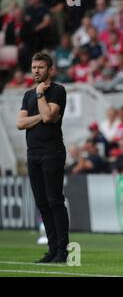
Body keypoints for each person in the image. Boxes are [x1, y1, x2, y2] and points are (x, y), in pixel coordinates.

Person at [16, 52, 69, 263]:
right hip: (33, 153)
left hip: (52, 152)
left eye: (40, 67)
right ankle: (52, 248)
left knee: (55, 200)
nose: (36, 70)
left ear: (50, 70)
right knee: (42, 203)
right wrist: (39, 112)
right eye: (34, 67)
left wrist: (40, 95)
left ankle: (62, 251)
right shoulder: (28, 94)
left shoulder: (58, 90)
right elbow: (20, 124)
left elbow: (50, 116)